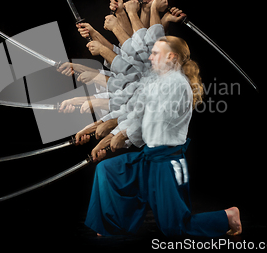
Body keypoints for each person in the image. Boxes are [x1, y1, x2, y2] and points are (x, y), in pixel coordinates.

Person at [81, 30, 243, 237]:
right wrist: (110, 139)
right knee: (107, 169)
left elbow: (153, 121)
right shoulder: (156, 83)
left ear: (171, 57)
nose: (151, 57)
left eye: (156, 53)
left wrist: (122, 137)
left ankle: (227, 216)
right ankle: (112, 225)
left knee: (175, 228)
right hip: (149, 157)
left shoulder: (177, 84)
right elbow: (134, 113)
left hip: (167, 162)